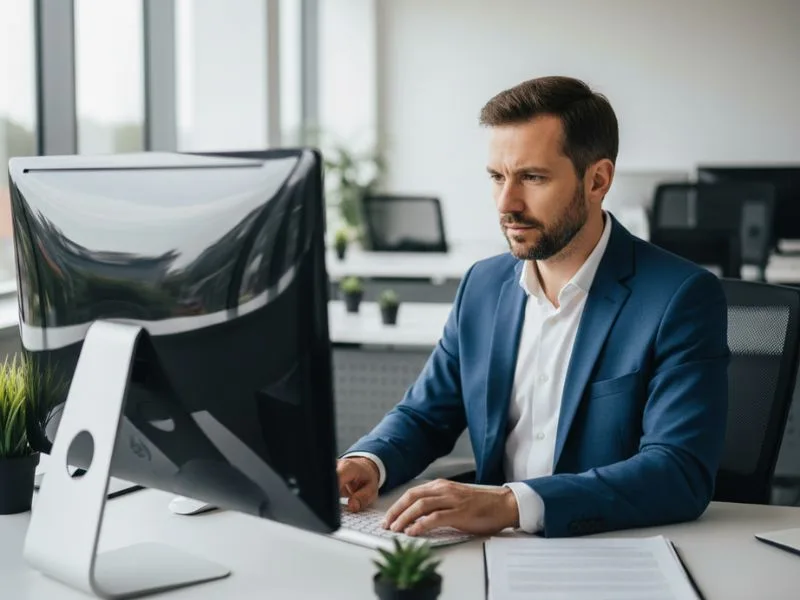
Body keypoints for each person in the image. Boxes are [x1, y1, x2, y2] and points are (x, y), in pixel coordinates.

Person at [338, 75, 729, 538]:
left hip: (608, 547)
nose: (507, 203)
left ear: (597, 180)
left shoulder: (679, 297)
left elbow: (678, 472)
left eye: (532, 177)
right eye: (497, 177)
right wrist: (368, 461)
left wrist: (510, 504)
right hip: (488, 549)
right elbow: (426, 415)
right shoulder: (483, 285)